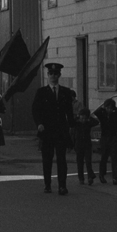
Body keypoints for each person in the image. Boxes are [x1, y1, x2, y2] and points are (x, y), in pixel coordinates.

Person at [32, 63, 77, 195]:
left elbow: (69, 112)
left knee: (62, 159)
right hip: (46, 131)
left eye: (55, 74)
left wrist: (72, 126)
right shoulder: (41, 92)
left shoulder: (65, 92)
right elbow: (35, 110)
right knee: (47, 159)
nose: (53, 76)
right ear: (47, 75)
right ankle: (47, 184)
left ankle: (62, 186)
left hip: (61, 131)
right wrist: (39, 123)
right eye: (51, 74)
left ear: (59, 75)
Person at [93, 98, 117, 185]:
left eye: (111, 108)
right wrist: (103, 108)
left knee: (114, 157)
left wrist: (114, 109)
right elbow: (96, 112)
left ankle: (115, 177)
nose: (109, 110)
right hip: (104, 137)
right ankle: (102, 174)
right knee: (104, 157)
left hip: (113, 137)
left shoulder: (115, 115)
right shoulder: (102, 115)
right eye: (108, 108)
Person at [73, 107, 97, 186]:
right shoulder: (77, 123)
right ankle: (81, 178)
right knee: (79, 162)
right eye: (81, 117)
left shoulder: (88, 123)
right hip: (78, 143)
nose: (83, 120)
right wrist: (77, 117)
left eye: (84, 118)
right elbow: (71, 122)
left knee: (88, 161)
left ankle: (90, 176)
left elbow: (96, 122)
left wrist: (89, 118)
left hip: (87, 143)